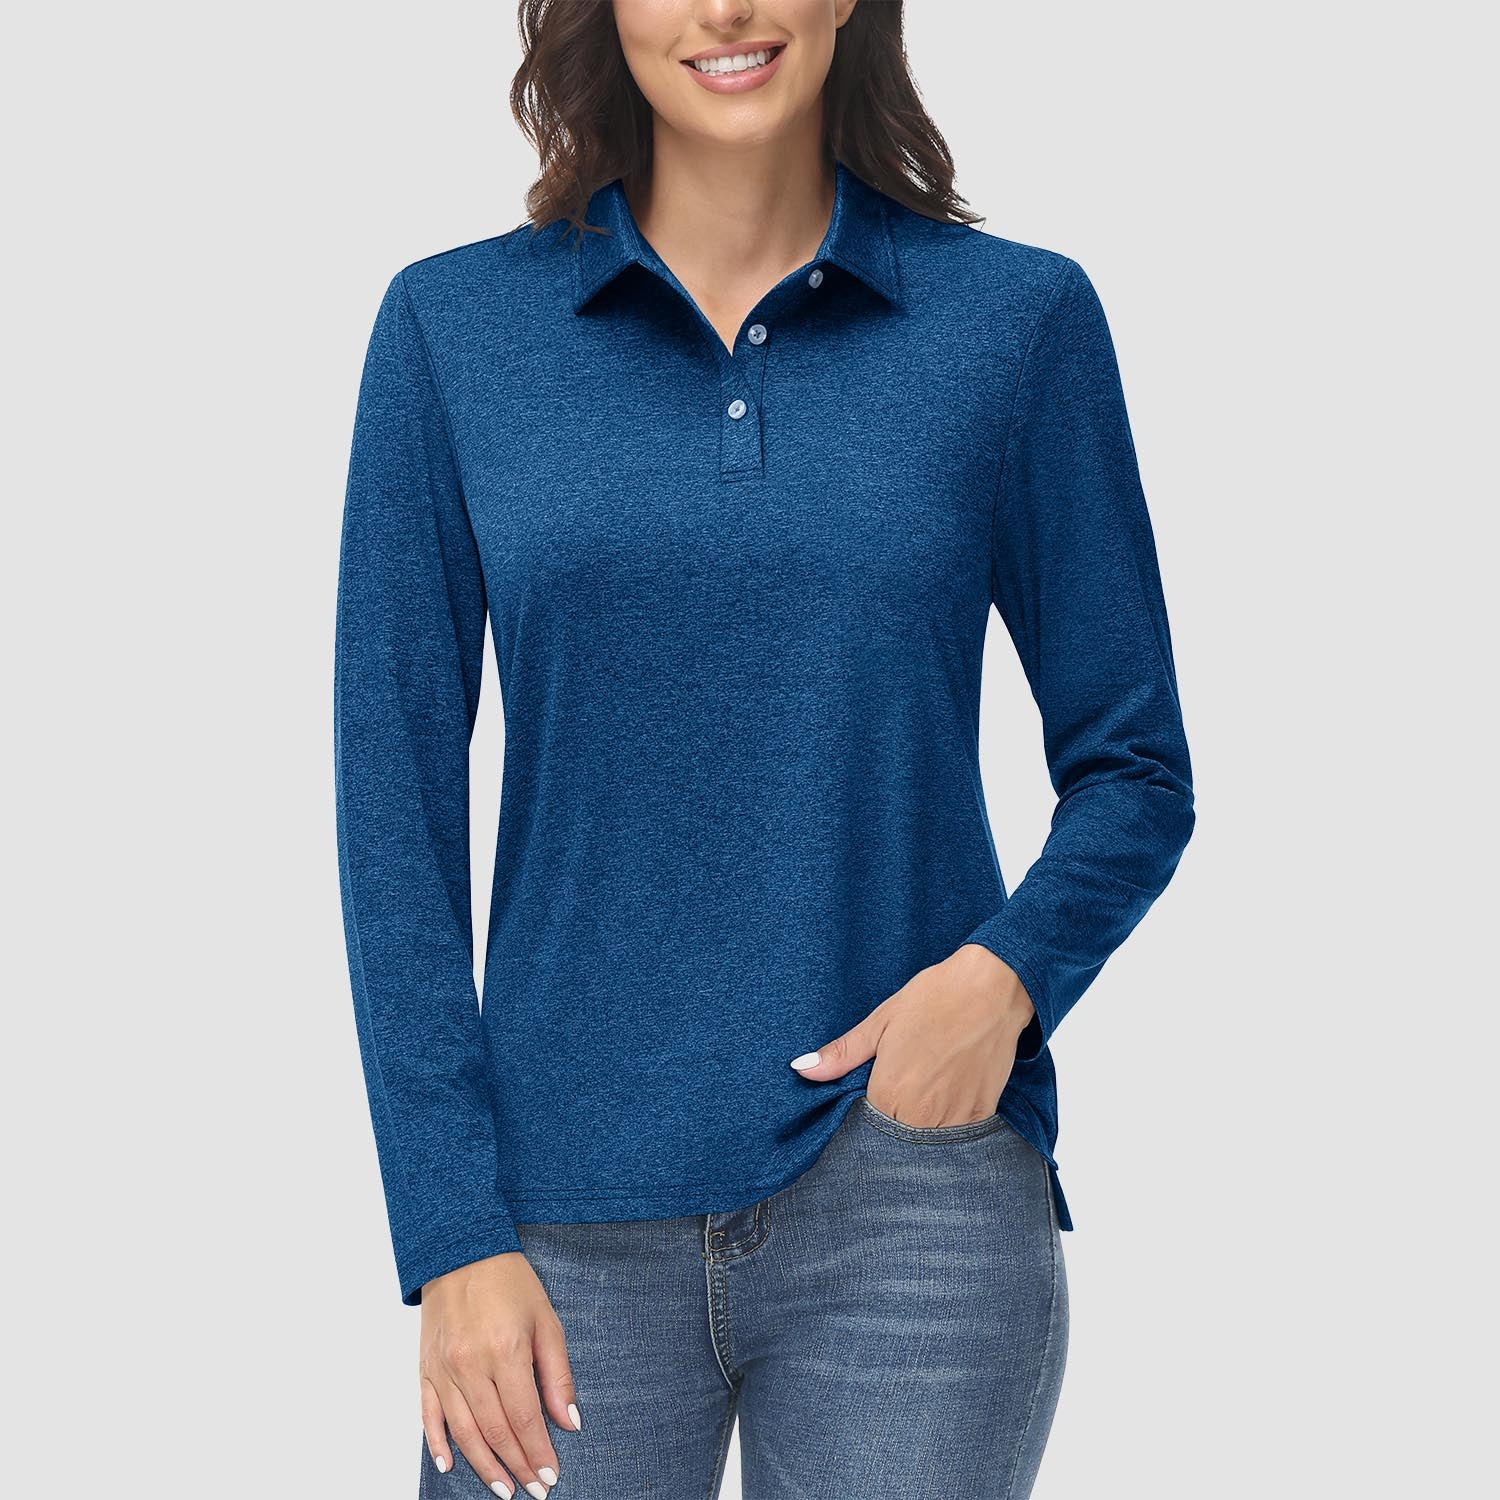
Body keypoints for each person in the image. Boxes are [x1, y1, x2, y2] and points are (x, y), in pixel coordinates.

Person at [333, 2, 1195, 1496]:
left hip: (912, 1207)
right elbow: (392, 816)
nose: (726, 9)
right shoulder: (453, 332)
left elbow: (1135, 764)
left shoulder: (1014, 322)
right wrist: (449, 1230)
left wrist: (1001, 984)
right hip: (551, 1221)